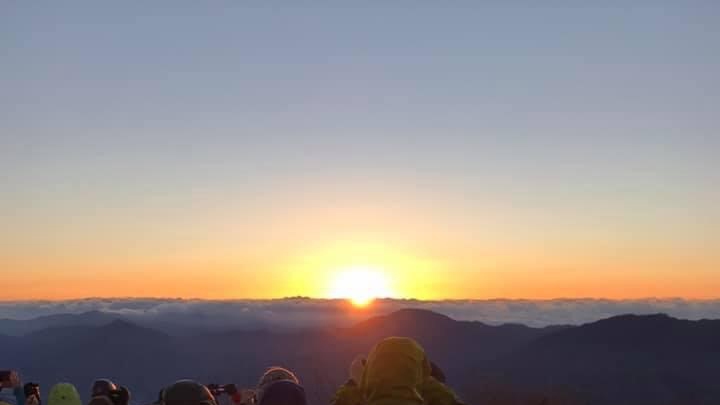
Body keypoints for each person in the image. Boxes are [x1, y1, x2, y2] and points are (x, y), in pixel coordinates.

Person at [361, 337, 431, 405]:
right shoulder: (416, 349)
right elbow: (427, 374)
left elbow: (363, 386)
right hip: (409, 401)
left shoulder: (375, 351)